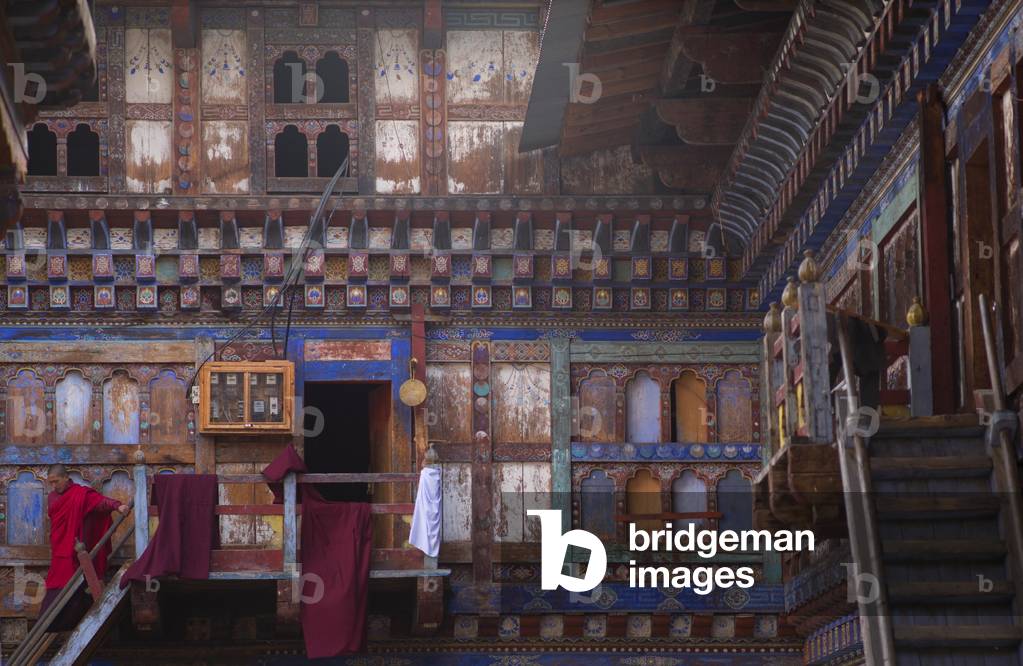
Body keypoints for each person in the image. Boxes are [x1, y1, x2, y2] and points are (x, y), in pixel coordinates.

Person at [40, 464, 129, 631]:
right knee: (56, 581)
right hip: (60, 548)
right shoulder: (52, 497)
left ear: (66, 478)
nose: (53, 486)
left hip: (74, 549)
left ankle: (69, 623)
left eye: (56, 481)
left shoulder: (80, 493)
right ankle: (51, 625)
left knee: (75, 582)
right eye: (50, 482)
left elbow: (99, 503)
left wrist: (117, 505)